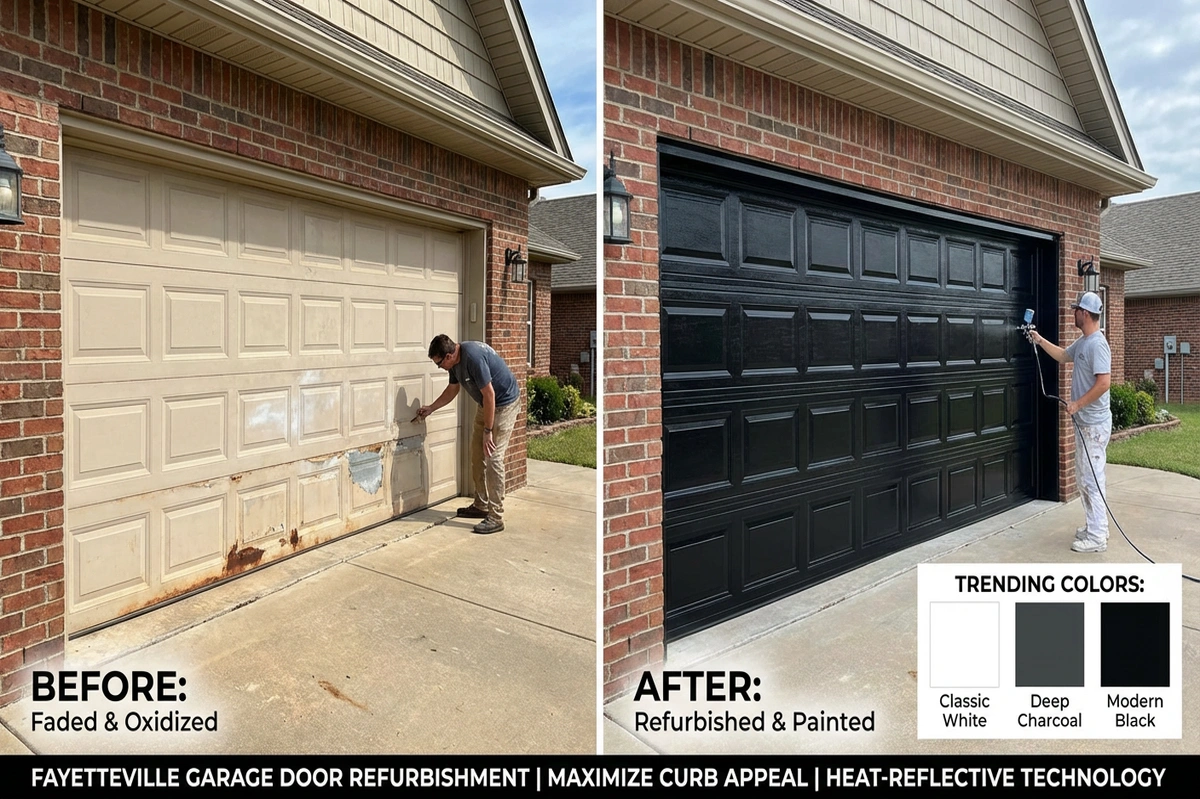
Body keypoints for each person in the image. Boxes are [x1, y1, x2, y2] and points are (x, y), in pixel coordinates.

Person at [1027, 291, 1112, 553]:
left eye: (1076, 309)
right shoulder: (1084, 342)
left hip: (1094, 425)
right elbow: (1064, 355)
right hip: (1086, 424)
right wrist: (1039, 340)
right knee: (1086, 477)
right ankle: (1097, 526)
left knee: (1091, 480)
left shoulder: (1097, 344)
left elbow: (1104, 383)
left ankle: (1097, 537)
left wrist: (1077, 404)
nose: (1073, 312)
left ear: (1084, 314)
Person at [415, 335, 519, 534]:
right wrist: (431, 408)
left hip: (504, 405)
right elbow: (453, 389)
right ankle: (481, 504)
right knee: (477, 453)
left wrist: (488, 431)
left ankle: (496, 517)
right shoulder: (454, 363)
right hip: (486, 406)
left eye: (439, 363)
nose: (439, 368)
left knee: (494, 458)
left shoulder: (473, 357)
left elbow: (490, 394)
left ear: (448, 356)